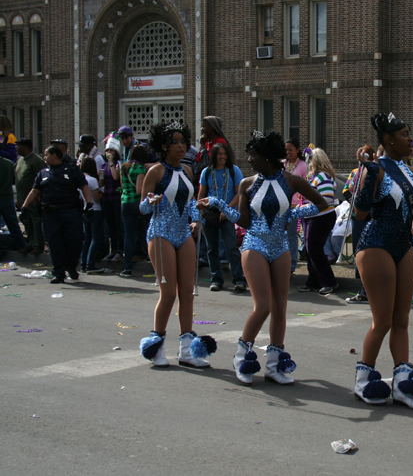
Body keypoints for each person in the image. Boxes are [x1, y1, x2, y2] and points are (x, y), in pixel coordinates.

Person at [210, 130, 326, 385]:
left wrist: (293, 215)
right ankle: (242, 357)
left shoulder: (292, 181)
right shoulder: (247, 184)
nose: (249, 159)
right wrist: (219, 204)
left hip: (281, 248)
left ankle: (274, 366)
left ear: (268, 157)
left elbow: (323, 203)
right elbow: (243, 219)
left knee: (280, 309)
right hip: (255, 245)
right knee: (263, 306)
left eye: (253, 155)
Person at [351, 113, 413, 408]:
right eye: (405, 135)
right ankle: (364, 378)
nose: (411, 140)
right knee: (382, 321)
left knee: (402, 321)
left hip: (403, 246)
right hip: (376, 245)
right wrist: (369, 172)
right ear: (388, 140)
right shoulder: (375, 169)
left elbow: (410, 210)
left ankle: (401, 380)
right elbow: (360, 213)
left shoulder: (408, 169)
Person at [138, 121, 216, 368]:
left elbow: (189, 203)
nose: (181, 146)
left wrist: (197, 216)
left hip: (184, 235)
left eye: (183, 141)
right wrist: (152, 201)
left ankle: (186, 350)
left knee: (188, 293)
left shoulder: (188, 171)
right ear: (164, 145)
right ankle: (157, 346)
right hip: (160, 233)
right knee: (169, 293)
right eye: (175, 142)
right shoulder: (156, 172)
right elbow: (141, 207)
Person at [21, 145, 93, 284]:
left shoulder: (72, 170)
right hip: (50, 214)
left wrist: (89, 204)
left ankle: (71, 267)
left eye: (46, 154)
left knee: (75, 241)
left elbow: (84, 186)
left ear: (54, 155)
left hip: (70, 212)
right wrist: (25, 206)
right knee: (55, 243)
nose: (44, 157)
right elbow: (35, 191)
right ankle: (58, 273)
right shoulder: (43, 173)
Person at [197, 142, 246, 292]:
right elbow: (201, 194)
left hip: (227, 214)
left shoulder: (233, 171)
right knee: (212, 249)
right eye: (219, 154)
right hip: (210, 214)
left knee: (231, 247)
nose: (222, 157)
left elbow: (240, 193)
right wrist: (199, 213)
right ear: (213, 156)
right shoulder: (206, 172)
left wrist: (227, 209)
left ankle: (239, 279)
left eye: (225, 154)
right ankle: (216, 279)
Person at [298, 148, 338, 295]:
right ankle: (313, 281)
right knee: (310, 250)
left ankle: (329, 282)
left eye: (309, 160)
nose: (307, 163)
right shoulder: (315, 177)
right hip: (313, 217)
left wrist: (304, 209)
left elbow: (326, 199)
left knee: (314, 249)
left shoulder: (323, 176)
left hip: (321, 217)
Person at [342, 145, 376, 303]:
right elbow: (345, 190)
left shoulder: (373, 171)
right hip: (357, 215)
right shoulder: (354, 172)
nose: (360, 159)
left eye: (363, 156)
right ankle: (358, 280)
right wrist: (354, 202)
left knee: (368, 251)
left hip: (370, 216)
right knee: (358, 249)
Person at [120, 145, 151, 277]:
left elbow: (122, 186)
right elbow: (139, 190)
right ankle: (150, 258)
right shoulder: (140, 168)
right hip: (137, 203)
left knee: (128, 235)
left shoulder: (124, 166)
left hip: (125, 201)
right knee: (149, 229)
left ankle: (128, 267)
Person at [14, 138, 46, 254]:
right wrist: (18, 197)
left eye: (19, 146)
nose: (16, 148)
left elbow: (42, 179)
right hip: (23, 198)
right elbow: (18, 179)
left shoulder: (36, 161)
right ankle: (30, 244)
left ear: (26, 147)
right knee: (26, 221)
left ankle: (38, 245)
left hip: (33, 198)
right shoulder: (20, 161)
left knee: (35, 221)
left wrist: (39, 195)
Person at [283, 138, 307, 273]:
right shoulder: (282, 165)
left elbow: (305, 185)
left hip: (295, 206)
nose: (288, 152)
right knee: (282, 235)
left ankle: (291, 265)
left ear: (297, 150)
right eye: (286, 150)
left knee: (291, 235)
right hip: (282, 205)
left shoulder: (303, 165)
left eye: (290, 150)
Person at [100, 133, 124, 261]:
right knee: (110, 225)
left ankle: (120, 249)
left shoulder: (117, 164)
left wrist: (111, 163)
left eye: (111, 151)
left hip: (116, 198)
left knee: (118, 224)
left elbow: (116, 177)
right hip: (106, 198)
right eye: (107, 150)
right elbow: (102, 182)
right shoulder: (104, 166)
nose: (109, 152)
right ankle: (113, 248)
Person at [79, 158, 104, 274]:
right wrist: (102, 189)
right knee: (96, 238)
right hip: (95, 210)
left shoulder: (80, 179)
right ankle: (90, 264)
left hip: (84, 210)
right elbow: (96, 198)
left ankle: (83, 264)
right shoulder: (92, 180)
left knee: (87, 238)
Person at [1, 154, 26, 252]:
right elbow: (14, 180)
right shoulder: (9, 164)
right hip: (7, 197)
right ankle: (21, 246)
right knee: (13, 225)